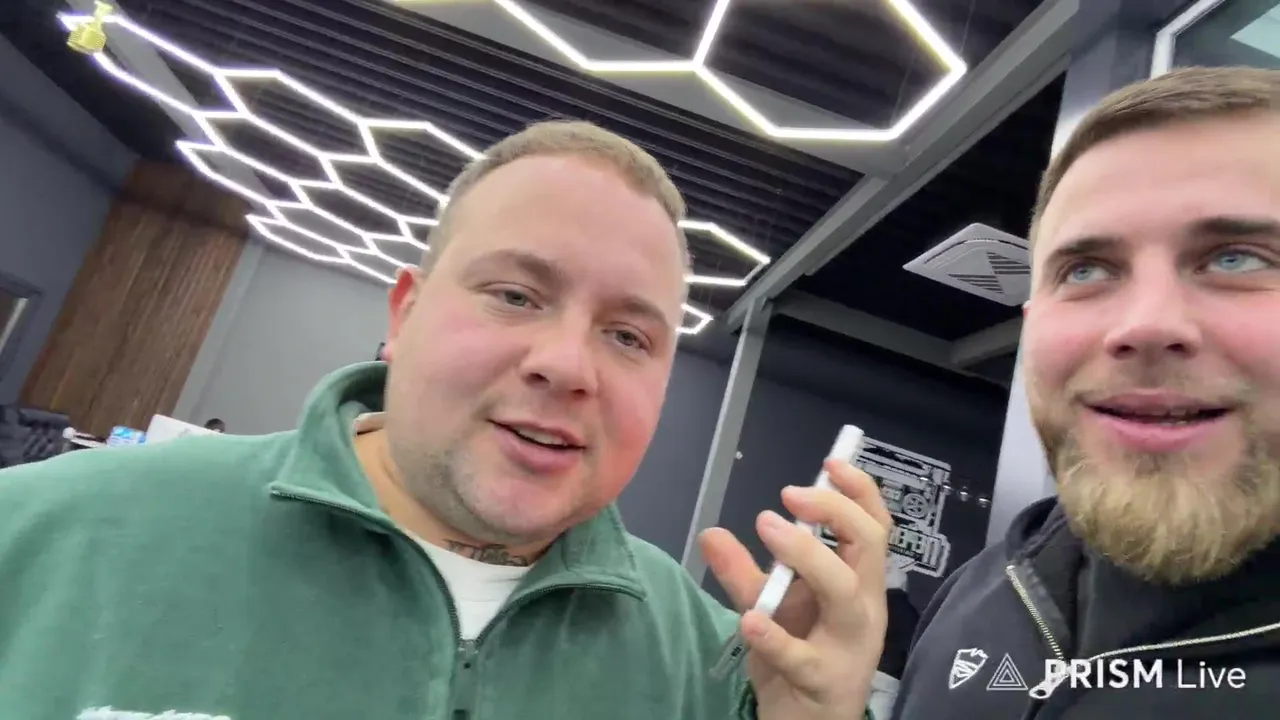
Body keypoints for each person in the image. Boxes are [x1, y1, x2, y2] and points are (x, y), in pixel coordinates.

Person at [0, 121, 892, 719]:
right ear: (405, 313)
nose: (567, 365)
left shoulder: (720, 670)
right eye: (514, 294)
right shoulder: (45, 536)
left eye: (628, 335)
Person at [891, 66, 1280, 719]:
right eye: (1086, 270)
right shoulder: (980, 594)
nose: (1144, 325)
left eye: (1236, 258)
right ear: (1032, 324)